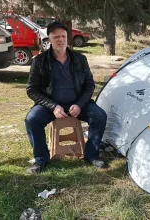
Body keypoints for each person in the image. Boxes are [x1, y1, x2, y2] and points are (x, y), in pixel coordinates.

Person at [25, 21, 107, 174]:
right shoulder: (39, 61)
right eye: (56, 37)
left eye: (63, 36)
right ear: (49, 38)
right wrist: (53, 106)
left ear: (67, 38)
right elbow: (32, 90)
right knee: (32, 120)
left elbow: (89, 85)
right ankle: (41, 159)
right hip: (50, 106)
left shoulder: (80, 59)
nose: (60, 39)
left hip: (77, 103)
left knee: (100, 116)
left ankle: (92, 155)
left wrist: (80, 104)